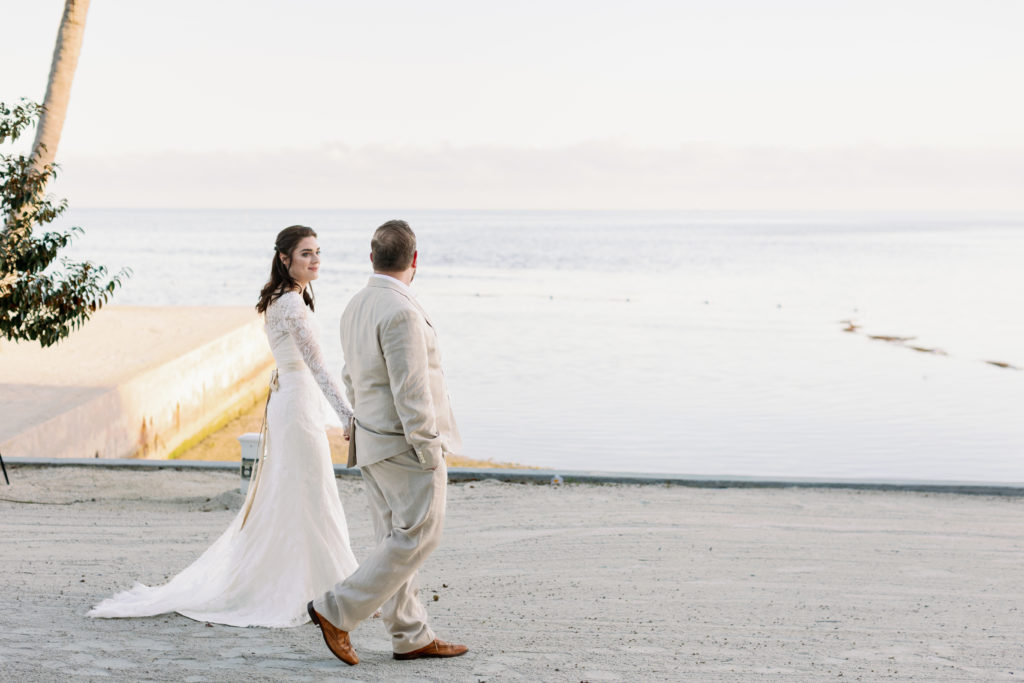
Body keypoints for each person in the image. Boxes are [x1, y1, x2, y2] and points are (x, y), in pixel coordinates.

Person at [88, 225, 359, 627]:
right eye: (306, 253)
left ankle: (323, 587)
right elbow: (318, 367)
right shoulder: (290, 304)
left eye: (318, 252)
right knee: (307, 492)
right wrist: (347, 417)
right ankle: (315, 590)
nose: (315, 259)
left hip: (292, 401)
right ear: (285, 259)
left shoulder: (287, 299)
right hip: (297, 404)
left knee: (299, 492)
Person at [307, 219, 467, 665]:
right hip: (403, 444)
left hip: (373, 439)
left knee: (392, 541)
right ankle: (334, 609)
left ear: (371, 257)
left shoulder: (357, 304)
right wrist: (429, 447)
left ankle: (410, 634)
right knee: (420, 536)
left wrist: (360, 422)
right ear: (414, 260)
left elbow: (349, 376)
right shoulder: (401, 311)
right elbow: (411, 389)